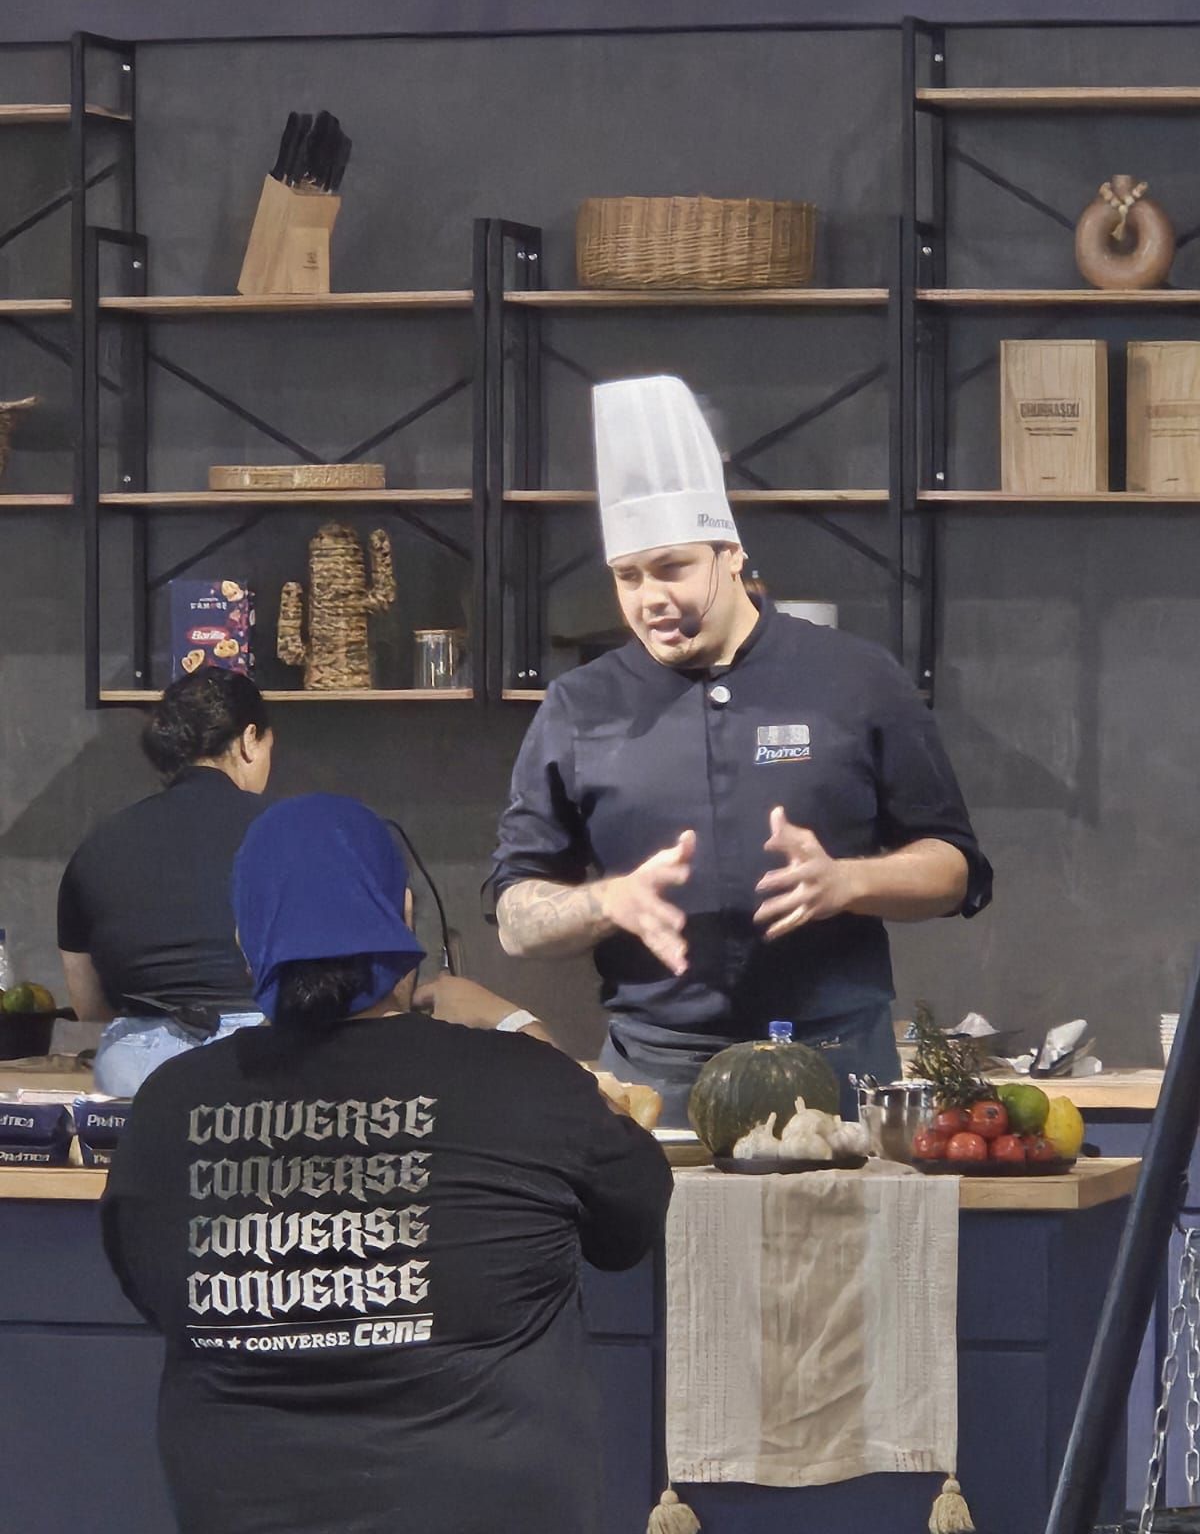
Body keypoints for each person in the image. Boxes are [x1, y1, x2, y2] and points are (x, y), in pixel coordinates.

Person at [101, 793, 671, 1534]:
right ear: (404, 915)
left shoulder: (166, 1108)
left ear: (248, 945)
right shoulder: (524, 1080)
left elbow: (153, 1289)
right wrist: (512, 1025)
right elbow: (631, 1219)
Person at [490, 374, 992, 1123]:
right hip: (654, 1072)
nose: (648, 597)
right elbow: (514, 915)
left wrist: (846, 883)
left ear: (730, 554)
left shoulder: (854, 678)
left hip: (838, 1060)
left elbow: (955, 870)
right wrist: (609, 899)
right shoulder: (578, 707)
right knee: (664, 1246)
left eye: (672, 568)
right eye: (628, 577)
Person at [57, 667, 273, 1095]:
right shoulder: (287, 834)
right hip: (261, 1062)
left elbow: (89, 1003)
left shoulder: (99, 844)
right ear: (249, 740)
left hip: (135, 1071)